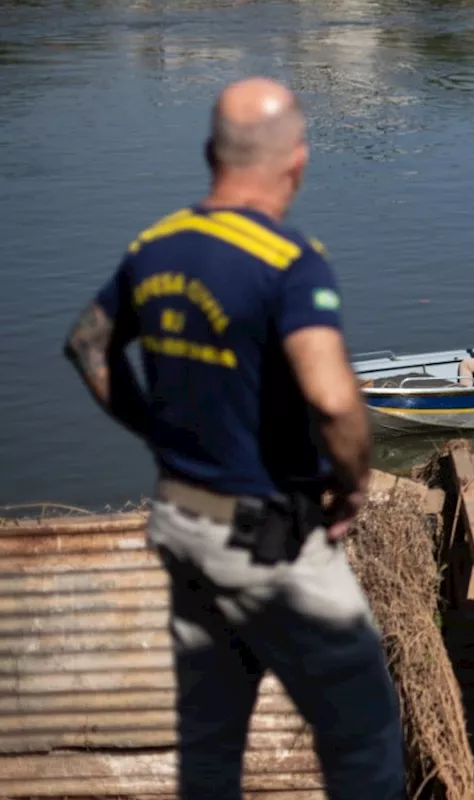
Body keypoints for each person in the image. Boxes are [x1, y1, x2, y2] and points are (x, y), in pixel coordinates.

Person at [61, 78, 404, 799]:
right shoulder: (288, 260)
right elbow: (333, 397)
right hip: (270, 538)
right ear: (299, 161)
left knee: (211, 742)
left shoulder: (155, 245)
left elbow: (88, 348)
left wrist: (159, 429)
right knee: (366, 736)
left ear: (209, 153)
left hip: (182, 521)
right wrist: (353, 482)